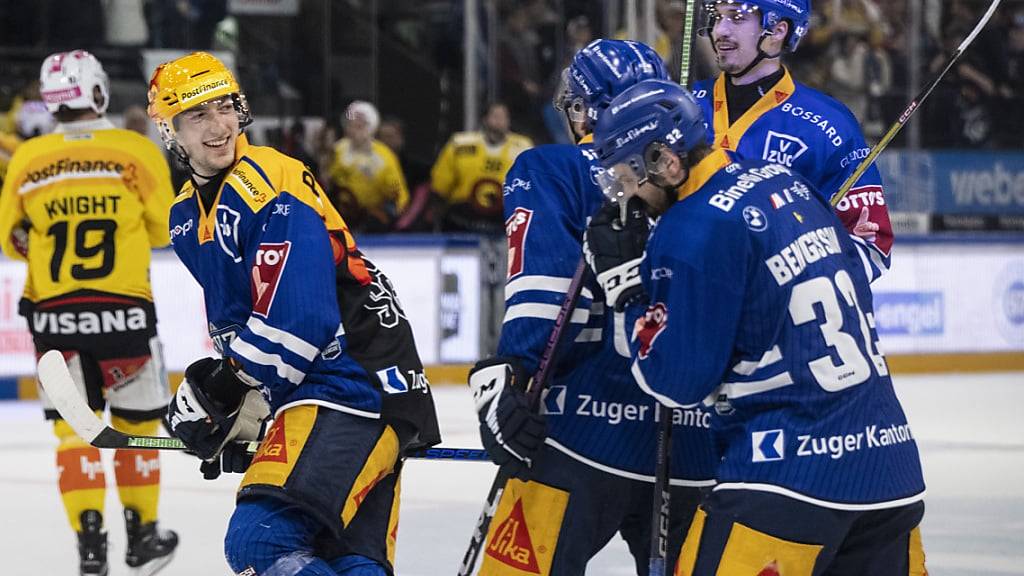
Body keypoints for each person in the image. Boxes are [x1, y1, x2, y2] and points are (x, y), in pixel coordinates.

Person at [586, 78, 927, 575]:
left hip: (784, 482)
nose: (625, 197)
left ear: (664, 160)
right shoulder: (786, 181)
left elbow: (676, 383)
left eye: (626, 177)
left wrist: (630, 295)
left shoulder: (691, 230)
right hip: (891, 473)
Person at [149, 51, 440, 576]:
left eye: (225, 108)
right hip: (335, 387)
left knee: (262, 542)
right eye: (197, 116)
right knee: (348, 560)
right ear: (171, 133)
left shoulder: (272, 177)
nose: (218, 127)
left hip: (354, 382)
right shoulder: (184, 221)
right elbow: (247, 319)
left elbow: (299, 321)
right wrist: (246, 410)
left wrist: (220, 388)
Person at [467, 40, 714, 576]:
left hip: (578, 434)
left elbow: (545, 305)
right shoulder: (697, 172)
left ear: (585, 108)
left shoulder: (549, 166)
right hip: (691, 441)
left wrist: (508, 378)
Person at [0, 50, 178, 576]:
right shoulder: (136, 150)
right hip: (125, 315)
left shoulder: (29, 159)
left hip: (55, 319)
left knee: (72, 436)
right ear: (98, 92)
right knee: (138, 425)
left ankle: (91, 550)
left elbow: (12, 242)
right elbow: (166, 231)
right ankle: (142, 539)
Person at [693, 0, 893, 282]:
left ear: (777, 30)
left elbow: (872, 246)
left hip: (774, 321)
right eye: (718, 17)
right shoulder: (683, 106)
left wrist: (786, 277)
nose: (720, 30)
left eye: (737, 18)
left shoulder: (828, 125)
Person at [430, 102, 532, 235]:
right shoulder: (460, 144)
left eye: (504, 117)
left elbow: (530, 186)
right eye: (495, 116)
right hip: (462, 217)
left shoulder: (523, 147)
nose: (500, 121)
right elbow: (440, 186)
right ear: (485, 118)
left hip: (506, 219)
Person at [329, 100, 409, 232]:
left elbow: (397, 192)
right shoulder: (337, 151)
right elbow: (328, 181)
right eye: (352, 125)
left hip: (373, 214)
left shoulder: (384, 155)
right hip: (342, 213)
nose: (356, 130)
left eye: (361, 126)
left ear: (372, 127)